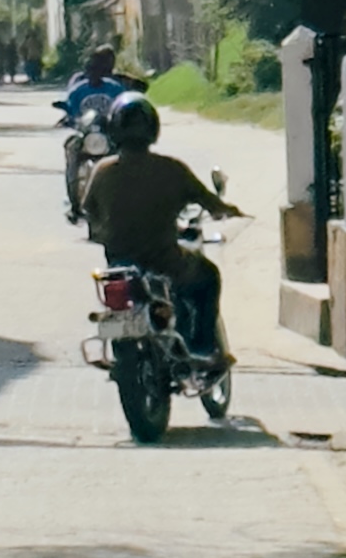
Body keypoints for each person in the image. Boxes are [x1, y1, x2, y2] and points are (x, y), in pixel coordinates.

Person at [78, 93, 241, 362]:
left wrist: (103, 230)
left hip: (119, 265)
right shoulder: (172, 169)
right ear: (153, 129)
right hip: (165, 262)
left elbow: (88, 210)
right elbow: (209, 202)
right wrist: (229, 210)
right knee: (208, 277)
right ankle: (201, 348)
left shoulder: (103, 170)